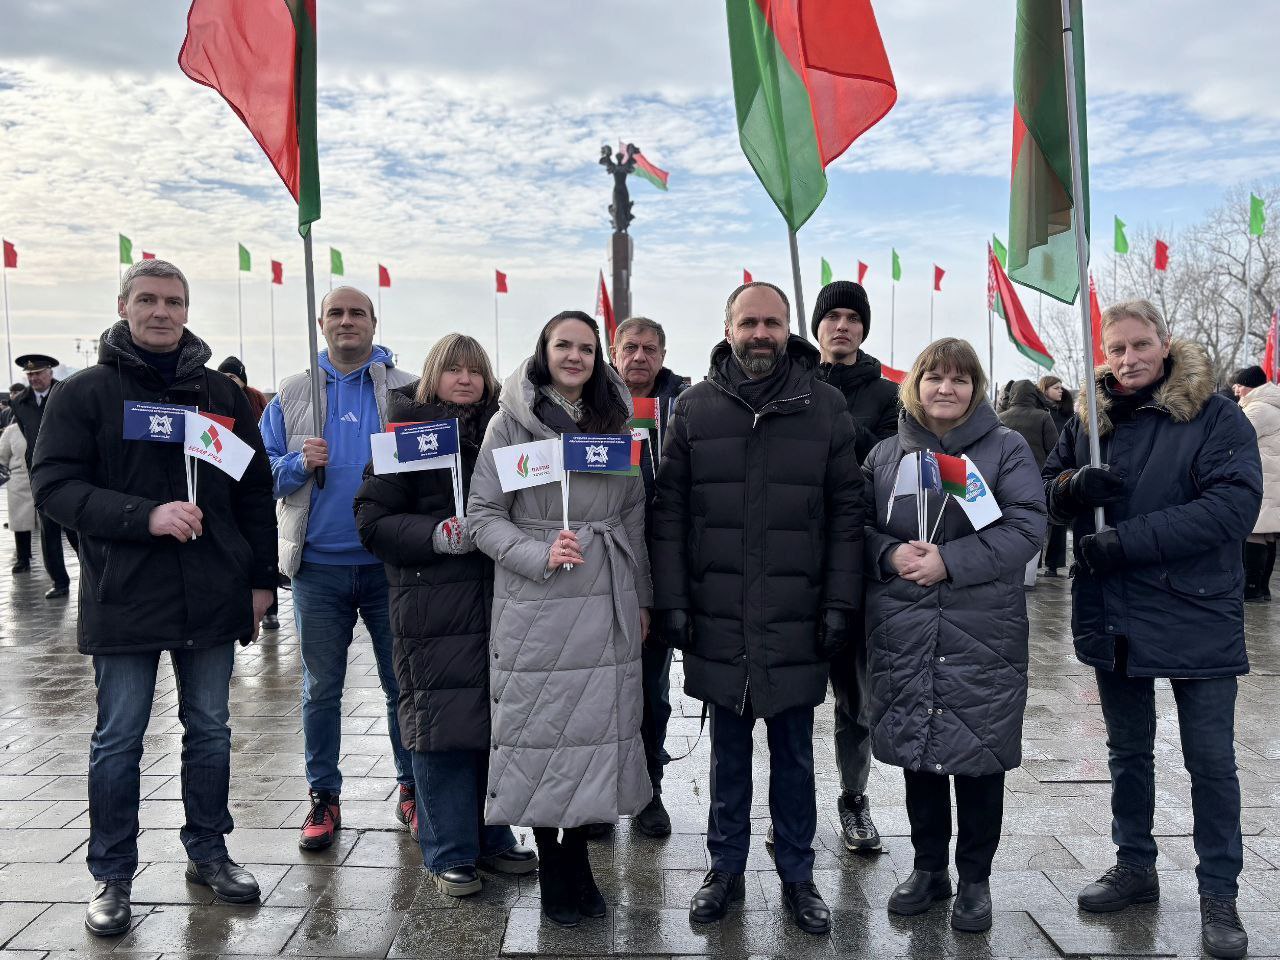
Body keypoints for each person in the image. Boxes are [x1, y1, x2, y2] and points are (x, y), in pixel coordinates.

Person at [30, 259, 277, 936]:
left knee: (211, 730)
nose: (161, 311)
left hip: (212, 593)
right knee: (119, 738)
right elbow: (54, 487)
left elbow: (254, 489)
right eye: (147, 299)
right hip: (125, 594)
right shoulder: (85, 394)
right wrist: (146, 516)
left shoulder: (220, 394)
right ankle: (112, 875)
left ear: (187, 310)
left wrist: (262, 579)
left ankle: (209, 851)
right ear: (124, 306)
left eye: (173, 300)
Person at [1043, 300, 1260, 960]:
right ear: (1103, 353)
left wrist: (1127, 541)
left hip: (1196, 610)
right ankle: (1134, 864)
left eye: (1141, 344)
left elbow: (1231, 507)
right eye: (1116, 348)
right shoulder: (1089, 419)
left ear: (1165, 343)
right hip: (1115, 612)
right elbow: (1047, 488)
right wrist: (1074, 486)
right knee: (1128, 752)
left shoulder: (1214, 414)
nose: (1129, 358)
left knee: (1210, 760)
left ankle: (1219, 892)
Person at [651, 281, 866, 936]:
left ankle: (798, 874)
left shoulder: (824, 406)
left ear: (787, 328)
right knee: (728, 756)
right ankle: (725, 868)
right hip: (718, 613)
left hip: (797, 613)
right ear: (729, 328)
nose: (761, 334)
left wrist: (840, 603)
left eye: (772, 322)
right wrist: (673, 601)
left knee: (796, 756)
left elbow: (847, 514)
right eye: (749, 322)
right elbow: (669, 513)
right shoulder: (695, 408)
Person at [468, 310, 652, 928]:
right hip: (539, 602)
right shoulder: (510, 425)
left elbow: (632, 514)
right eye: (563, 345)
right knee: (544, 736)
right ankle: (556, 868)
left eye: (586, 348)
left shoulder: (616, 424)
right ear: (543, 351)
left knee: (592, 738)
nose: (575, 357)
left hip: (605, 594)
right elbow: (483, 516)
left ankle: (580, 864)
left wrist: (641, 597)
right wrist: (538, 553)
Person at [863, 338, 1045, 933]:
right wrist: (888, 554)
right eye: (934, 377)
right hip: (905, 625)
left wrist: (951, 561)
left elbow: (1026, 526)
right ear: (914, 385)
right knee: (918, 751)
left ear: (976, 388)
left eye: (960, 379)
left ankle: (974, 879)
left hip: (982, 628)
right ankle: (928, 868)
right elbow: (856, 527)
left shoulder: (1005, 449)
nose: (946, 388)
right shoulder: (886, 455)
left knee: (978, 755)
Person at [354, 333, 537, 897]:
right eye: (453, 369)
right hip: (430, 603)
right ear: (432, 376)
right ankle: (448, 850)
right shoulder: (405, 438)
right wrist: (436, 533)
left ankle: (493, 836)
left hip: (496, 600)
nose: (464, 379)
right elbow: (372, 520)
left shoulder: (503, 433)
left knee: (492, 722)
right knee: (439, 727)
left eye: (474, 370)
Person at [259, 285, 418, 851]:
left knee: (402, 684)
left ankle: (411, 787)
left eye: (357, 313)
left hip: (388, 566)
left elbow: (432, 467)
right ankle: (323, 794)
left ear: (374, 322)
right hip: (318, 568)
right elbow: (263, 477)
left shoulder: (408, 390)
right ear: (320, 323)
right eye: (336, 313)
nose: (346, 321)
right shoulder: (292, 393)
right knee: (321, 688)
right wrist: (298, 463)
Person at [807, 279, 899, 854]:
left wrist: (837, 414)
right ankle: (790, 806)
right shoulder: (794, 383)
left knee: (857, 700)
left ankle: (854, 797)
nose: (842, 326)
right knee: (791, 700)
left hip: (858, 560)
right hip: (798, 560)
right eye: (832, 316)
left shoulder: (890, 395)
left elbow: (890, 463)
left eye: (852, 317)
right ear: (817, 326)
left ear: (863, 328)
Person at [610, 315, 687, 838]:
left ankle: (648, 790)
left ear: (662, 356)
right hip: (601, 561)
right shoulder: (592, 403)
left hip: (658, 564)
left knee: (651, 692)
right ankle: (599, 795)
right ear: (614, 352)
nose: (640, 357)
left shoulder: (682, 404)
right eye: (631, 348)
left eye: (650, 349)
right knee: (599, 689)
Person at [11, 354, 79, 598]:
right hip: (40, 472)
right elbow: (28, 435)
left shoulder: (67, 394)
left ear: (50, 372)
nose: (34, 378)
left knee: (75, 527)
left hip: (71, 470)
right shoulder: (20, 403)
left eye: (38, 373)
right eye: (30, 374)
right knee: (48, 529)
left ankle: (94, 575)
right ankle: (59, 582)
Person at [998, 379, 1058, 589]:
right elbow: (1055, 449)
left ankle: (1007, 572)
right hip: (1035, 481)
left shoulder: (1001, 417)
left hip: (1005, 481)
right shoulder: (1043, 417)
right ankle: (1028, 577)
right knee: (1033, 527)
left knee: (1008, 527)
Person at [1232, 365, 1280, 602]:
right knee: (1267, 534)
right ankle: (1262, 588)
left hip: (1263, 476)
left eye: (1240, 385)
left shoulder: (1258, 408)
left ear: (1250, 387)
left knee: (1254, 532)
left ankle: (1251, 588)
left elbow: (1236, 435)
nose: (1236, 389)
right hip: (1272, 477)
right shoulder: (1271, 404)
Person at [1037, 375, 1072, 576]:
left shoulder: (1067, 414)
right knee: (1037, 518)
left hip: (1061, 469)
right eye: (1056, 387)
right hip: (1040, 469)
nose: (1060, 390)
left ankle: (1053, 563)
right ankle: (1033, 565)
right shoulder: (1041, 413)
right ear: (1045, 389)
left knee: (1058, 521)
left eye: (1061, 387)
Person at [0, 417, 34, 573]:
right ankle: (23, 558)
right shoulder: (11, 431)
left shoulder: (45, 424)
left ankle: (53, 563)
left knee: (49, 525)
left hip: (41, 479)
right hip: (18, 481)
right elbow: (2, 457)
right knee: (20, 522)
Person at [218, 356, 269, 421]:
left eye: (232, 377)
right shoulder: (213, 400)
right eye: (222, 376)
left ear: (242, 381)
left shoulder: (256, 398)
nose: (227, 380)